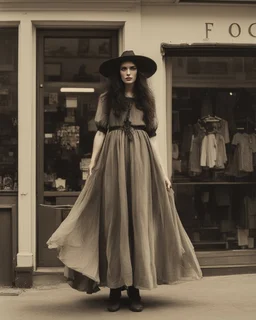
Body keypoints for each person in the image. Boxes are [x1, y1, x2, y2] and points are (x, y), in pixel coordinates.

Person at [47, 50, 202, 313]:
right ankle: (115, 288)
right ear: (118, 73)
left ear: (138, 72)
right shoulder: (108, 99)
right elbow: (101, 133)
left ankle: (135, 288)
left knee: (138, 220)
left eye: (131, 68)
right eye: (123, 69)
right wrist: (94, 163)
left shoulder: (146, 99)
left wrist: (163, 172)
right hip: (113, 162)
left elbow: (152, 139)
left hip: (142, 164)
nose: (128, 72)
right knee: (115, 220)